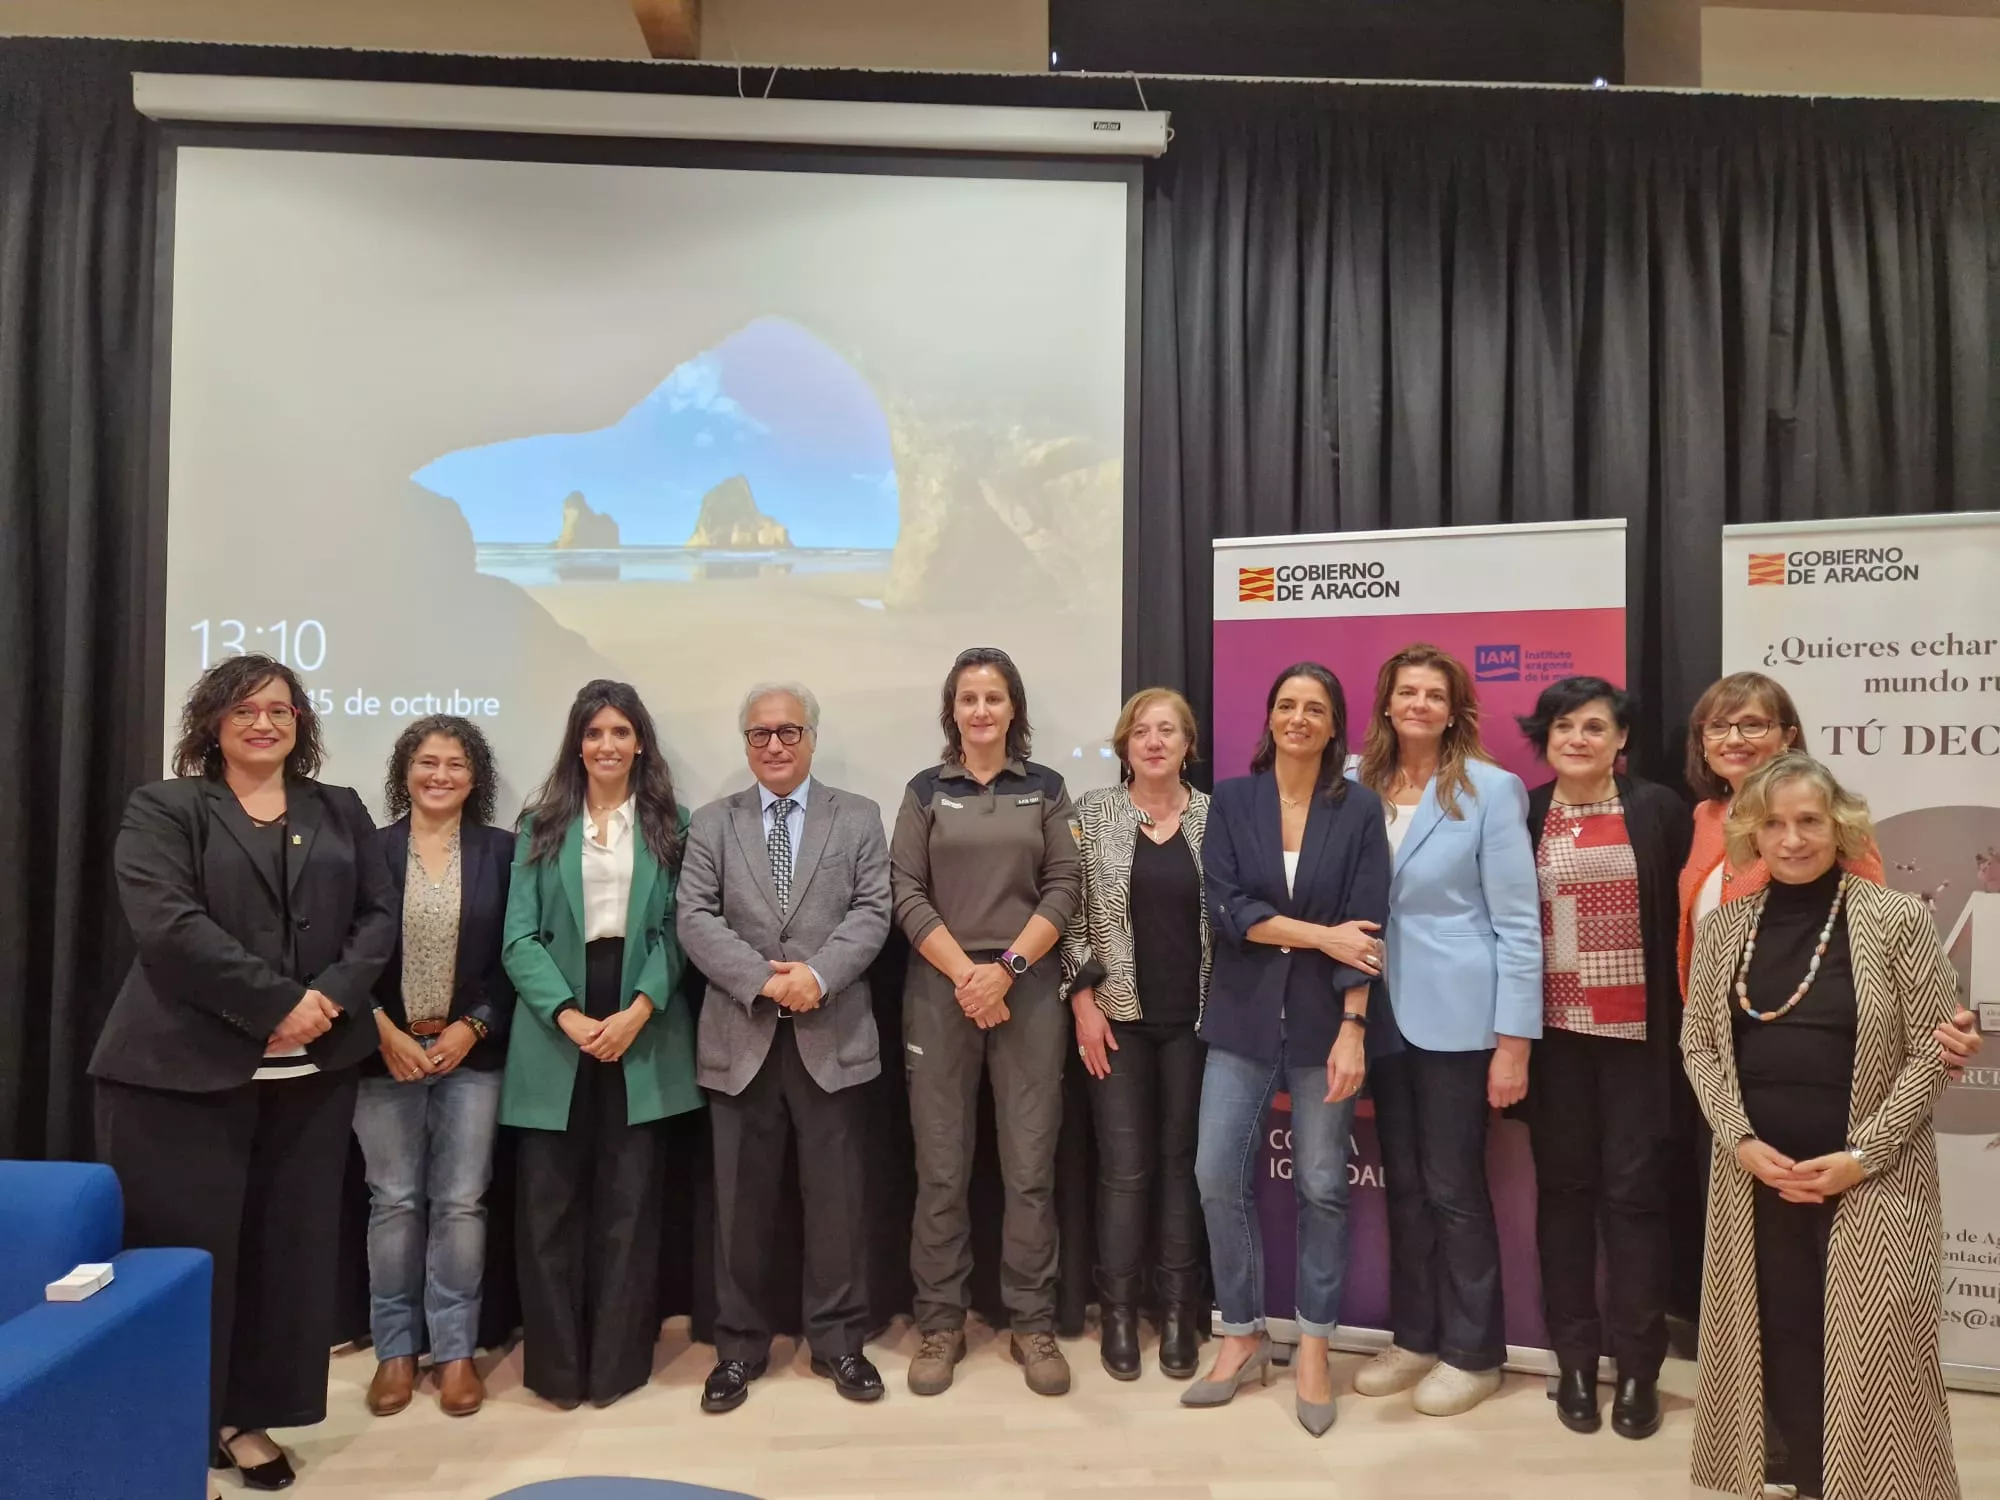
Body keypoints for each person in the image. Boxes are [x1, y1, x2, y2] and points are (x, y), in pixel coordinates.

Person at [91, 654, 397, 1490]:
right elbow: (168, 924)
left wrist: (324, 1003)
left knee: (283, 1258)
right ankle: (171, 1422)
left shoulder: (339, 809)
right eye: (244, 710)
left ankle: (244, 1418)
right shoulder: (167, 806)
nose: (265, 722)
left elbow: (378, 919)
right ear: (212, 724)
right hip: (178, 1076)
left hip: (312, 1076)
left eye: (281, 709)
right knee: (186, 1260)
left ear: (300, 723)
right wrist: (274, 1006)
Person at [1682, 754, 1962, 1500]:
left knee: (1878, 1355)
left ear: (1838, 827)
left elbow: (1932, 1051)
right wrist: (1740, 1142)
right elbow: (1699, 1045)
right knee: (1783, 1339)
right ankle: (1807, 1481)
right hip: (1757, 1178)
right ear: (1751, 833)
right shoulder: (1725, 930)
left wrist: (1863, 1155)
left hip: (1873, 1178)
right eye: (1774, 823)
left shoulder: (1896, 918)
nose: (1793, 838)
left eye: (1809, 820)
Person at [1182, 664, 1393, 1438]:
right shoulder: (1233, 802)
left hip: (1322, 1025)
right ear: (1268, 717)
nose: (1298, 718)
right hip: (1240, 1020)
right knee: (1214, 1174)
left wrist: (1353, 1027)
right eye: (1285, 705)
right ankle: (1241, 1331)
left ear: (1336, 725)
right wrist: (1318, 934)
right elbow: (1230, 911)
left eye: (1314, 708)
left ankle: (1311, 1345)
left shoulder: (1360, 808)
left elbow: (1367, 926)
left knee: (1321, 1188)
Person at [678, 682, 892, 1413]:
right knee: (740, 1207)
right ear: (745, 744)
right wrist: (766, 984)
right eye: (761, 733)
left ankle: (838, 1342)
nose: (775, 744)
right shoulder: (713, 822)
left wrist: (818, 976)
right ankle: (738, 1349)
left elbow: (873, 911)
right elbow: (695, 917)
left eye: (789, 731)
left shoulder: (858, 816)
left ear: (811, 738)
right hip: (739, 1040)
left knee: (837, 1202)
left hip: (832, 1037)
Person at [1350, 643, 1541, 1418]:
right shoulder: (1358, 788)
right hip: (1374, 1009)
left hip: (1460, 1018)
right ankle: (1416, 1336)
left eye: (1435, 693)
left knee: (1455, 1187)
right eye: (1407, 692)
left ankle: (1473, 1351)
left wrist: (1515, 1040)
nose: (1420, 704)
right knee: (1404, 1186)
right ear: (1388, 705)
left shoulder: (1492, 792)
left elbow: (1519, 924)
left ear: (1454, 707)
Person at [890, 647, 1084, 1398]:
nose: (980, 711)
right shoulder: (923, 791)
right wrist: (966, 975)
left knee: (1030, 1169)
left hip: (1025, 988)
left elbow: (1064, 885)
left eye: (993, 698)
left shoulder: (1047, 789)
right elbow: (905, 889)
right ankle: (941, 1322)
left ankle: (1031, 1323)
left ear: (1013, 710)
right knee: (941, 1169)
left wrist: (1004, 971)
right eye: (968, 699)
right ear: (953, 712)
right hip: (940, 990)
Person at [501, 679, 699, 1410]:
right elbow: (518, 935)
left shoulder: (672, 824)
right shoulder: (541, 824)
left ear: (640, 741)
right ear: (576, 744)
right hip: (557, 1020)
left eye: (620, 732)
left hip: (643, 1014)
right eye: (594, 733)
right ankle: (557, 1370)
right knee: (547, 1207)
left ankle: (617, 1365)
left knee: (631, 1202)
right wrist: (569, 1016)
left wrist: (639, 1008)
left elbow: (683, 927)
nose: (607, 745)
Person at [1514, 679, 1690, 1440]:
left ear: (1621, 742)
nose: (1578, 738)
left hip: (1637, 1047)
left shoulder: (1657, 811)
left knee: (1634, 1202)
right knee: (1564, 1199)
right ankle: (1576, 1362)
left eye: (1595, 727)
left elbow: (1690, 926)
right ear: (1545, 737)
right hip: (1551, 1044)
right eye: (1563, 725)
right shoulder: (1522, 812)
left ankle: (1639, 1368)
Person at [354, 716, 516, 1420]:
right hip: (384, 1053)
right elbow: (340, 952)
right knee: (392, 1202)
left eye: (455, 763)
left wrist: (472, 1028)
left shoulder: (503, 853)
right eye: (427, 762)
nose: (440, 774)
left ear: (474, 777)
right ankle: (395, 1351)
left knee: (461, 1203)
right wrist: (382, 1028)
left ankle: (455, 1353)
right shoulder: (368, 852)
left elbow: (519, 955)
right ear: (405, 772)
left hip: (469, 1055)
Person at [1060, 688, 1212, 1382]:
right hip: (1115, 1021)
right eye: (1142, 731)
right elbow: (1069, 916)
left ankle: (1180, 1311)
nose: (1155, 742)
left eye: (1168, 731)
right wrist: (1081, 999)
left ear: (1188, 744)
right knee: (1125, 1171)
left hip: (1196, 1025)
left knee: (1183, 1168)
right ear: (1125, 744)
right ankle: (1118, 1312)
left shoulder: (1214, 818)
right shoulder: (1090, 814)